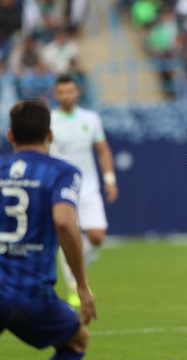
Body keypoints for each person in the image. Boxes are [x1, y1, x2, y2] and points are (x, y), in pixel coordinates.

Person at [1, 100, 97, 360]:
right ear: (50, 134)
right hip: (30, 292)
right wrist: (81, 286)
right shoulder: (62, 172)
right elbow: (65, 221)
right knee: (76, 342)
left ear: (10, 135)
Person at [49, 75, 118, 308]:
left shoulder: (91, 118)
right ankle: (77, 284)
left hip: (88, 186)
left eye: (70, 91)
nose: (66, 95)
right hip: (60, 186)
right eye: (62, 92)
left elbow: (103, 150)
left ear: (77, 92)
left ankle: (73, 270)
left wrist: (109, 179)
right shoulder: (49, 120)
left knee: (97, 237)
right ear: (55, 94)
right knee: (67, 234)